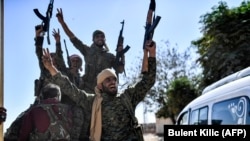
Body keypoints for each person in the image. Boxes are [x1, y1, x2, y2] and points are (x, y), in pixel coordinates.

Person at [42, 39, 156, 141]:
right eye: (107, 80)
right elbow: (71, 90)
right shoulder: (94, 102)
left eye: (114, 79)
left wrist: (152, 53)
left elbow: (148, 81)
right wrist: (51, 68)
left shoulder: (128, 96)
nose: (112, 82)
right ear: (100, 86)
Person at [56, 8, 126, 93]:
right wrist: (62, 23)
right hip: (87, 90)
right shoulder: (87, 51)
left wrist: (122, 54)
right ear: (93, 39)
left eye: (102, 36)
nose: (100, 38)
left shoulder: (110, 56)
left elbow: (120, 70)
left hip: (103, 92)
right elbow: (73, 38)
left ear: (105, 39)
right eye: (97, 37)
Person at [52, 28, 88, 140]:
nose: (75, 63)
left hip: (77, 107)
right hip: (64, 104)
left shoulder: (82, 79)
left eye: (77, 61)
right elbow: (60, 58)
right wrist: (58, 42)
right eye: (73, 61)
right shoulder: (65, 72)